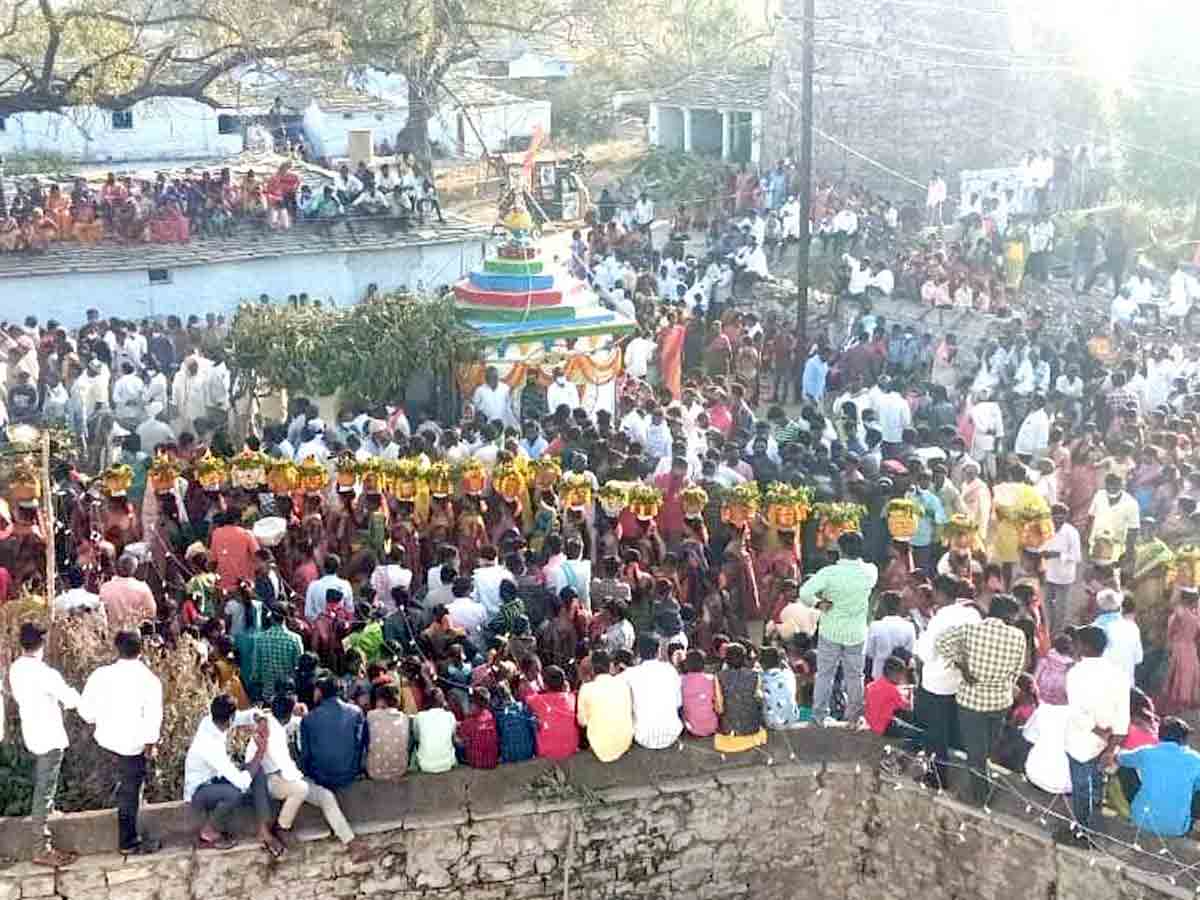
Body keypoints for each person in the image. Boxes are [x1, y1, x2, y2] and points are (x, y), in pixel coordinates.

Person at [935, 593, 1027, 807]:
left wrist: (962, 666)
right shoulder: (1018, 636)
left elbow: (941, 643)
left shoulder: (970, 630)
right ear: (1009, 616)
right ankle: (982, 789)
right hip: (1000, 701)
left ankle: (979, 796)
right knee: (987, 749)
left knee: (975, 751)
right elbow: (1017, 670)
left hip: (971, 701)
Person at [78, 630, 163, 855]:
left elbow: (86, 711)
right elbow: (153, 718)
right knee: (130, 793)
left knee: (110, 790)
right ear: (141, 650)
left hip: (104, 742)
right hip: (133, 747)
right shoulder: (150, 680)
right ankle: (128, 842)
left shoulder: (100, 675)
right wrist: (150, 744)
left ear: (117, 648)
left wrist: (99, 720)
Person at [9, 622, 81, 867]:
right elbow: (70, 699)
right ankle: (41, 847)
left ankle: (49, 812)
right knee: (44, 789)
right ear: (43, 643)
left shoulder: (16, 668)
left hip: (32, 733)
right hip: (49, 735)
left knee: (43, 784)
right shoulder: (45, 673)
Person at [264, 692, 368, 860]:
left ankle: (350, 842)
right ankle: (282, 827)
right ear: (290, 713)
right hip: (273, 779)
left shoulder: (279, 724)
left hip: (289, 777)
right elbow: (286, 767)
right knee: (302, 788)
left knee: (325, 796)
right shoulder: (271, 731)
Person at [183, 695, 282, 855]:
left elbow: (245, 716)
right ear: (229, 719)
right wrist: (260, 752)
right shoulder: (210, 745)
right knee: (234, 793)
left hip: (215, 779)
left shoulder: (212, 720)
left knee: (257, 771)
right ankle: (208, 831)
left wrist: (260, 718)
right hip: (199, 792)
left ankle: (263, 830)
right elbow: (241, 784)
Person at [1059, 624, 1130, 845]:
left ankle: (1082, 832)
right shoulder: (1118, 673)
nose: (1074, 646)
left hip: (1081, 741)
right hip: (1106, 741)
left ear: (1085, 646)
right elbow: (1122, 713)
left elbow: (1078, 711)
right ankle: (1094, 828)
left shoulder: (1076, 673)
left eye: (1076, 643)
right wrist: (1112, 744)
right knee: (1098, 784)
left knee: (1081, 788)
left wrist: (1100, 732)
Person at [799, 531, 878, 725]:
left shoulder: (829, 573)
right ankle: (854, 718)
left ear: (840, 550)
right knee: (855, 676)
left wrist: (818, 604)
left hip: (830, 631)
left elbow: (804, 592)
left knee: (825, 674)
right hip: (856, 633)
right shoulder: (870, 572)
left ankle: (819, 717)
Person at [1117, 717, 1200, 838]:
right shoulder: (1196, 759)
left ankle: (1130, 809)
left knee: (1124, 768)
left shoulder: (1146, 752)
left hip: (1141, 821)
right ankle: (1187, 823)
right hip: (1177, 828)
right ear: (1183, 739)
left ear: (1159, 735)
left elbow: (1120, 758)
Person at [300, 674, 366, 791]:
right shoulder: (356, 712)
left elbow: (306, 755)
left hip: (320, 777)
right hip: (349, 774)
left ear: (319, 692)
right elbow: (360, 745)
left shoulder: (308, 718)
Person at [621, 634, 684, 749]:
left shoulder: (629, 674)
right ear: (658, 651)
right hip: (672, 733)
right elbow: (678, 703)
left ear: (637, 652)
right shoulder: (670, 670)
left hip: (642, 736)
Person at [576, 649, 634, 762]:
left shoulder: (586, 688)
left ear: (592, 669)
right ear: (611, 665)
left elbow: (582, 722)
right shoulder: (623, 684)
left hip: (600, 750)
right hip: (626, 742)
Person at [714, 642, 765, 752]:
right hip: (752, 727)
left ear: (726, 659)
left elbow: (719, 707)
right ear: (744, 658)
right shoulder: (755, 675)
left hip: (730, 730)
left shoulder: (719, 676)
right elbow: (759, 699)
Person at [526, 665, 580, 759]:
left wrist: (537, 685)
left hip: (547, 752)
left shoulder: (537, 700)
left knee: (532, 721)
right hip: (572, 748)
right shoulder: (572, 698)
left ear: (545, 685)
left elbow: (526, 697)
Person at [413, 688, 458, 773]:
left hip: (424, 765)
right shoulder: (450, 716)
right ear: (443, 701)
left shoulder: (419, 716)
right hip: (447, 764)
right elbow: (453, 736)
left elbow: (416, 737)